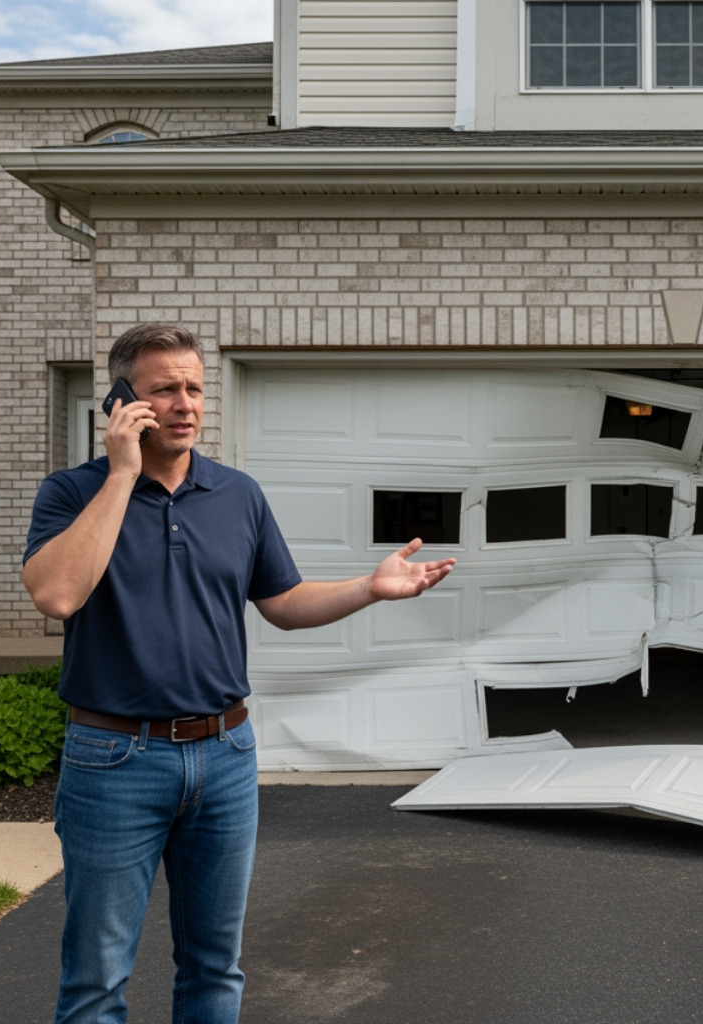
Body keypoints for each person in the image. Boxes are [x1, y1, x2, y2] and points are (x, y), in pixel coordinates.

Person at [22, 323, 454, 1024]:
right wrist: (123, 475)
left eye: (195, 387)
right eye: (166, 389)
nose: (187, 403)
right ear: (122, 400)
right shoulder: (72, 493)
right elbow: (58, 594)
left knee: (215, 971)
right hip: (114, 761)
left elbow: (282, 602)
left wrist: (369, 588)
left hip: (224, 757)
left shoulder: (238, 495)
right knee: (96, 982)